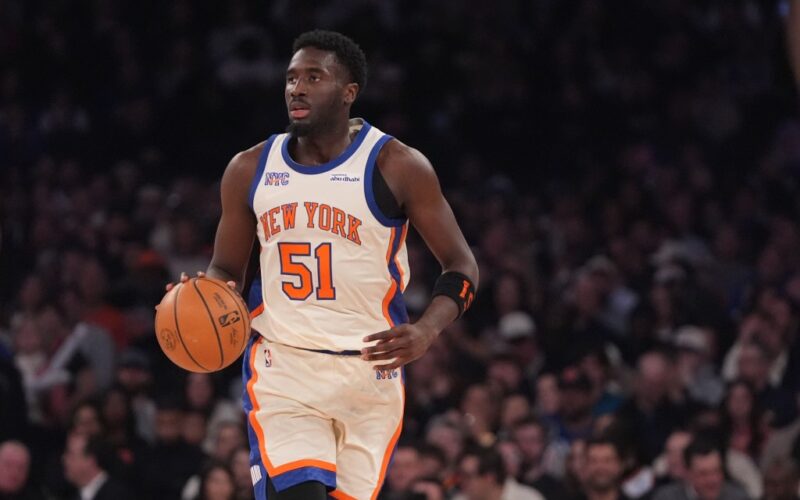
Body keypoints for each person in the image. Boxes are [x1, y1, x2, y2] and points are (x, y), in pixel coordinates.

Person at [169, 29, 478, 500]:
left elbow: (461, 265)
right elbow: (225, 268)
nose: (297, 88)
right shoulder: (249, 169)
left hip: (370, 375)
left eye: (314, 77)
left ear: (348, 92)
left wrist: (427, 330)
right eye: (291, 78)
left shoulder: (397, 165)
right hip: (285, 369)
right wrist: (207, 297)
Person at [652, 438, 749, 500]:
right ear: (688, 474)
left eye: (716, 471)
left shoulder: (738, 497)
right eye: (703, 474)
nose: (712, 480)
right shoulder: (666, 497)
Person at [453, 446, 544, 500]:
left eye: (467, 476)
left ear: (489, 478)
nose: (462, 482)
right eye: (461, 475)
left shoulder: (527, 498)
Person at [62, 433, 133, 500]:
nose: (64, 459)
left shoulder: (118, 496)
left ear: (90, 460)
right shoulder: (73, 496)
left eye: (71, 454)